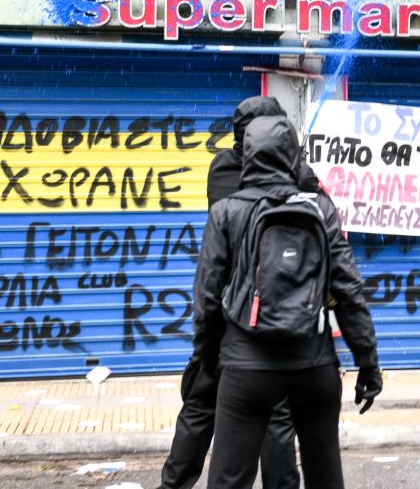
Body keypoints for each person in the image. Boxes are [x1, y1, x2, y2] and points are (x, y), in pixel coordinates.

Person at [194, 115, 381, 489]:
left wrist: (209, 358)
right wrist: (368, 363)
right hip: (313, 364)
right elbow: (349, 291)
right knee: (325, 476)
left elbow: (207, 299)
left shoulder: (226, 212)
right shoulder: (321, 209)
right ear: (292, 155)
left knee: (229, 479)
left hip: (246, 367)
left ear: (248, 156)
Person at [159, 96, 301, 489]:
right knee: (275, 417)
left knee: (200, 407)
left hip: (223, 314)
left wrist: (205, 341)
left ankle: (173, 484)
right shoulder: (291, 175)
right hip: (271, 317)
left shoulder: (220, 167)